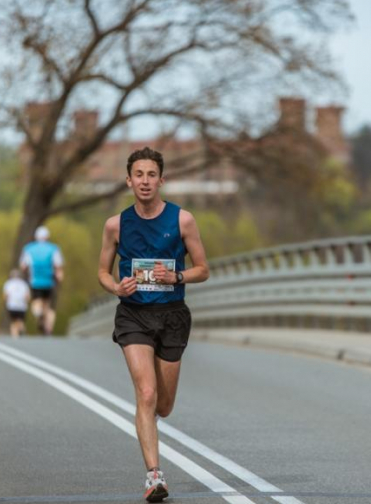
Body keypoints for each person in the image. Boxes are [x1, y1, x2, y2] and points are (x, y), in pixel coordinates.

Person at [97, 147, 209, 503]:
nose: (145, 182)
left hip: (172, 315)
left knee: (163, 405)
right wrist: (115, 286)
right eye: (138, 175)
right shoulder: (116, 225)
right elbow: (102, 271)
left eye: (151, 175)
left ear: (162, 180)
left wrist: (175, 274)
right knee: (145, 394)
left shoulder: (182, 220)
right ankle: (154, 475)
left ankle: (154, 423)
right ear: (128, 180)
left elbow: (203, 270)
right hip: (133, 315)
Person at [20, 225, 64, 335]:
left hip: (34, 281)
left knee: (36, 302)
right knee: (47, 304)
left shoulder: (28, 249)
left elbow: (23, 266)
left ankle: (39, 314)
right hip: (49, 281)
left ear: (36, 236)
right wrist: (59, 278)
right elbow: (58, 266)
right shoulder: (53, 249)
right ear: (47, 237)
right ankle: (48, 327)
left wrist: (25, 276)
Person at [2, 269, 30, 338]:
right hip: (22, 306)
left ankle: (15, 337)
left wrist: (6, 302)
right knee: (20, 321)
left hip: (12, 305)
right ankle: (21, 330)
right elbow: (27, 296)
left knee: (13, 322)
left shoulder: (8, 283)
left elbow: (5, 295)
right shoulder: (24, 284)